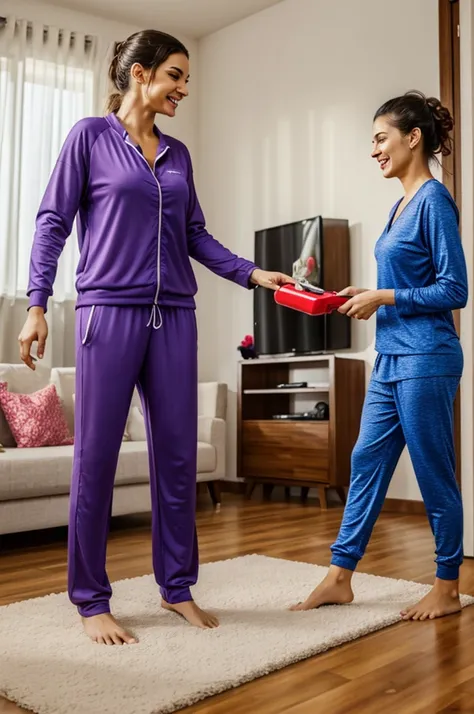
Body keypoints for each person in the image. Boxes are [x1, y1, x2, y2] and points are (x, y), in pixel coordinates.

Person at [18, 29, 293, 645]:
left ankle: (177, 588)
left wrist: (252, 273)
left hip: (174, 315)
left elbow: (195, 235)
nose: (183, 89)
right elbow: (53, 221)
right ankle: (91, 599)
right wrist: (37, 304)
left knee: (175, 456)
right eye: (175, 75)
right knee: (96, 459)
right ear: (140, 75)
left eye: (186, 78)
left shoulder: (178, 155)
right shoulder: (89, 137)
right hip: (105, 314)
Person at [290, 90, 468, 621]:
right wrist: (360, 294)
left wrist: (385, 297)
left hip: (427, 358)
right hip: (390, 357)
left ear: (413, 138)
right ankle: (340, 577)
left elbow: (455, 289)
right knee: (365, 461)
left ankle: (447, 587)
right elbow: (407, 281)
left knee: (434, 474)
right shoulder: (399, 205)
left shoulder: (434, 200)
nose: (374, 150)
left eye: (380, 138)